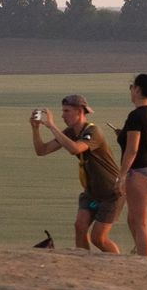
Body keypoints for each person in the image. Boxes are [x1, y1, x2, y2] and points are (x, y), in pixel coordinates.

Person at [31, 95, 123, 252]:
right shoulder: (70, 132)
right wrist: (35, 129)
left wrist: (52, 126)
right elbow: (42, 150)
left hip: (111, 191)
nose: (62, 115)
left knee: (98, 238)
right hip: (92, 191)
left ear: (80, 111)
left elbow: (75, 148)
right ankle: (85, 263)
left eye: (67, 111)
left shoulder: (93, 131)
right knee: (80, 227)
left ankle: (120, 265)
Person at [118, 73, 147, 257]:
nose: (130, 90)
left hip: (138, 172)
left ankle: (145, 261)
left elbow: (132, 150)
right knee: (133, 219)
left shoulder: (136, 115)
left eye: (131, 87)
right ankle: (141, 256)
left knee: (140, 222)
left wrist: (121, 175)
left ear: (137, 90)